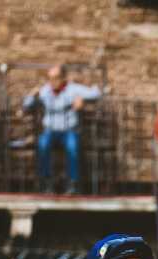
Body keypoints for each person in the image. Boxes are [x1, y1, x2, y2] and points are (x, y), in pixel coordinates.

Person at [21, 64, 101, 195]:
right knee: (42, 144)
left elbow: (96, 93)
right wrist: (32, 95)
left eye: (56, 78)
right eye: (50, 78)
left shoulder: (73, 89)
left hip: (69, 130)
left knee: (72, 147)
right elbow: (27, 104)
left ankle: (72, 184)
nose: (53, 81)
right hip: (51, 130)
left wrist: (82, 101)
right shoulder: (46, 91)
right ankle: (47, 182)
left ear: (64, 78)